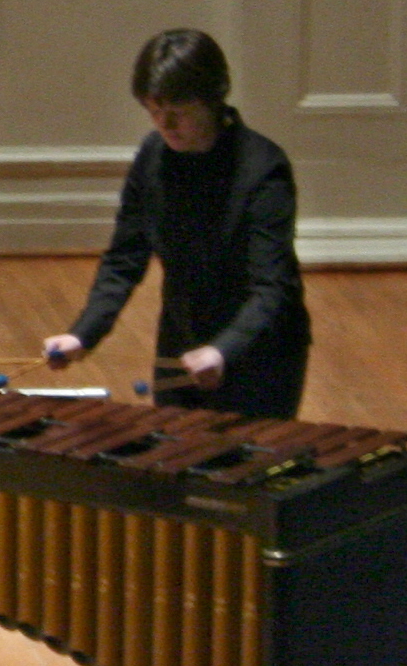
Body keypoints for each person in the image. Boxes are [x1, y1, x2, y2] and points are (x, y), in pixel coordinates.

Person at [42, 31, 309, 418]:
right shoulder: (153, 157)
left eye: (177, 111)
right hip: (181, 345)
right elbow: (124, 258)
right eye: (153, 110)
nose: (164, 124)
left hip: (258, 352)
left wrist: (224, 349)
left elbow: (272, 286)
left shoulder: (263, 169)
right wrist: (83, 333)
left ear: (212, 99)